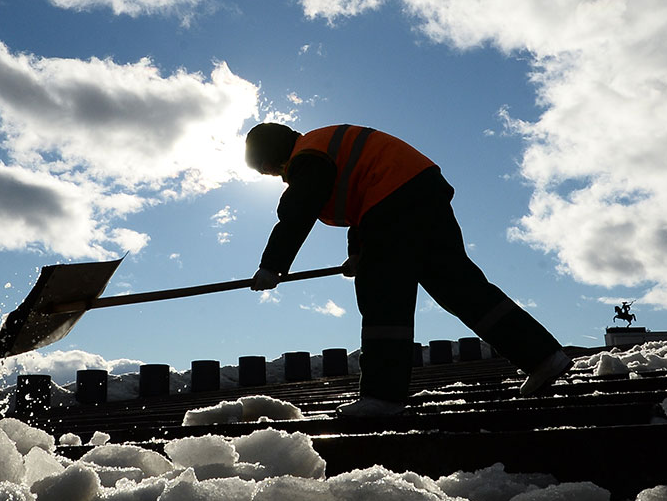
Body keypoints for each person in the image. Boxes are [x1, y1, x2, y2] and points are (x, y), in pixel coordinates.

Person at [243, 121, 571, 417]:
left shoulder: (308, 158)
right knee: (458, 285)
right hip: (421, 190)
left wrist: (272, 266)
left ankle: (382, 397)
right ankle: (542, 356)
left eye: (267, 169)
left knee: (382, 293)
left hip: (393, 201)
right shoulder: (323, 146)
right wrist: (358, 252)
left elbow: (299, 211)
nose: (273, 175)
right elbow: (360, 198)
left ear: (270, 157)